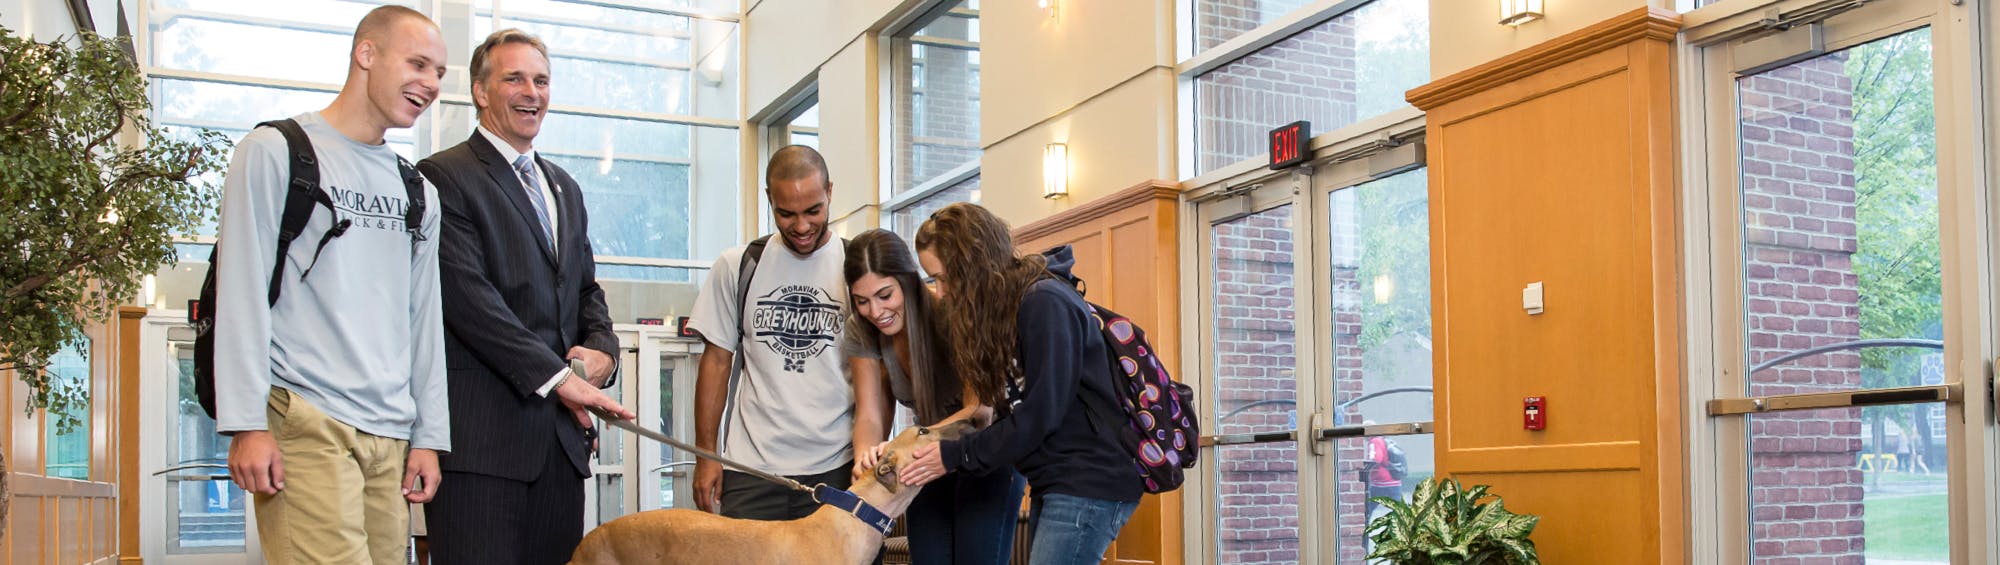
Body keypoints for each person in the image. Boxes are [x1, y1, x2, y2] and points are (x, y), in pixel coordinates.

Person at [214, 6, 450, 564]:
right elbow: (241, 291)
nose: (431, 84)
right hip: (306, 415)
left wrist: (429, 437)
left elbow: (423, 318)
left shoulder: (417, 189)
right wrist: (246, 423)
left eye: (439, 72)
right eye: (418, 63)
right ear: (366, 54)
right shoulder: (276, 151)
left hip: (389, 433)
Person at [415, 28, 634, 565]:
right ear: (480, 91)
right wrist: (562, 380)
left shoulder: (564, 186)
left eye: (541, 80)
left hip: (559, 452)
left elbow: (584, 289)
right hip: (483, 449)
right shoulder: (444, 176)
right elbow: (469, 301)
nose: (531, 92)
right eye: (514, 78)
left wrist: (604, 348)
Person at [896, 203, 1142, 565]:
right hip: (1056, 480)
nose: (942, 292)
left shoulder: (1045, 302)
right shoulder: (1006, 310)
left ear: (974, 264)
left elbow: (1040, 416)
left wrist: (954, 456)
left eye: (945, 277)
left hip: (1090, 480)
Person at [688, 145, 854, 520]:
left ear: (830, 191)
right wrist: (706, 456)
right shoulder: (740, 265)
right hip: (751, 469)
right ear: (769, 199)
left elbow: (875, 371)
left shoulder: (855, 264)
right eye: (786, 213)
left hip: (837, 466)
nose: (801, 226)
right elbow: (715, 363)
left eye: (813, 210)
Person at [845, 229, 1026, 565]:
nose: (875, 311)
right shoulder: (861, 328)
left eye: (885, 295)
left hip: (984, 454)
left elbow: (978, 411)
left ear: (909, 282)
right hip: (924, 466)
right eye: (862, 300)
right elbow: (869, 415)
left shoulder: (952, 312)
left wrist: (901, 449)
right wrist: (865, 458)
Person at [1361, 426, 1404, 520]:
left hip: (1381, 482)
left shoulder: (1374, 441)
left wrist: (1363, 465)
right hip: (1395, 481)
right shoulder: (1384, 440)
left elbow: (1376, 459)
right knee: (1399, 510)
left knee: (1368, 509)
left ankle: (1365, 531)